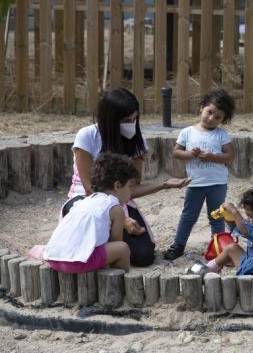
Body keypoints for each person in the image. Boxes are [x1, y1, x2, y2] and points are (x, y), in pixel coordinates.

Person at [67, 88, 190, 267]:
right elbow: (88, 187)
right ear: (109, 120)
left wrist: (164, 185)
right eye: (125, 121)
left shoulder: (136, 141)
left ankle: (110, 245)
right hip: (85, 200)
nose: (131, 125)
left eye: (134, 119)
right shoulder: (87, 136)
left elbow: (129, 189)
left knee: (143, 256)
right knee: (89, 246)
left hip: (120, 202)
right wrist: (121, 219)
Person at [163, 89, 236, 260]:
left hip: (217, 183)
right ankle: (178, 245)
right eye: (209, 112)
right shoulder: (187, 132)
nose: (211, 119)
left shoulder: (221, 134)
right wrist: (190, 154)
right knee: (188, 216)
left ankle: (217, 247)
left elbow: (230, 156)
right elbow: (176, 152)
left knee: (216, 216)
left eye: (218, 117)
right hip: (195, 183)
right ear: (201, 108)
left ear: (223, 120)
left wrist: (211, 156)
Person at [45, 153, 137, 273]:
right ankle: (120, 281)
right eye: (130, 186)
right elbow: (116, 243)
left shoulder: (85, 201)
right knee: (123, 248)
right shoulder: (115, 208)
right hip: (76, 263)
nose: (131, 192)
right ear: (117, 185)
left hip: (53, 258)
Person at [205, 186, 253, 277]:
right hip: (251, 264)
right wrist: (229, 218)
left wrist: (235, 212)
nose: (248, 220)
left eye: (250, 216)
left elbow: (246, 231)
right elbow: (240, 228)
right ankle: (207, 269)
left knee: (233, 248)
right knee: (232, 248)